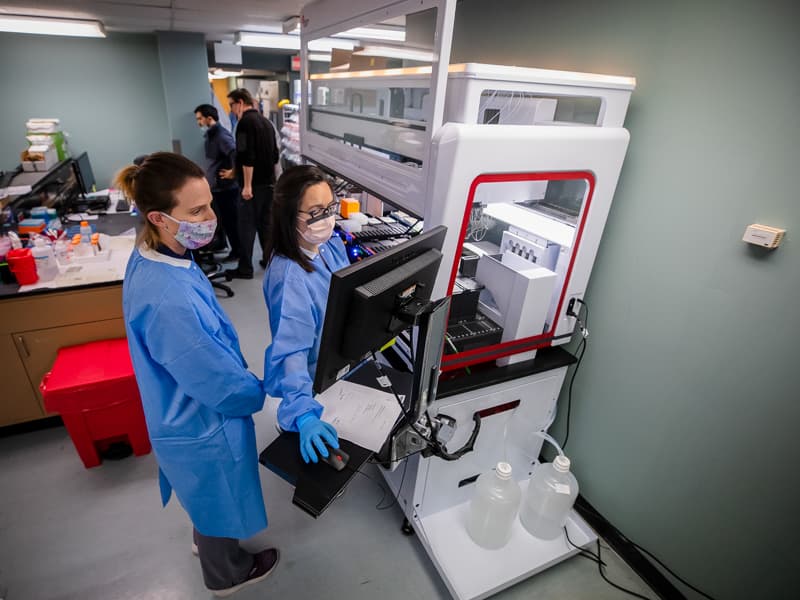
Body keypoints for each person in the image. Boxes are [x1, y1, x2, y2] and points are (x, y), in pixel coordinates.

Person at [117, 152, 278, 597]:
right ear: (159, 216)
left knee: (204, 494)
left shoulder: (154, 252)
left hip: (174, 406)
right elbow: (218, 383)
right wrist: (260, 390)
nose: (211, 216)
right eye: (196, 211)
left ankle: (206, 539)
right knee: (218, 492)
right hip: (200, 420)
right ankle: (226, 573)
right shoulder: (170, 300)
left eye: (209, 203)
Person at [262, 165, 349, 463]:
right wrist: (304, 415)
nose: (326, 219)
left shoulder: (327, 245)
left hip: (332, 368)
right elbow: (292, 351)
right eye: (315, 212)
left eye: (330, 208)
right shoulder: (290, 278)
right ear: (289, 216)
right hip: (308, 382)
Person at [225, 88, 280, 280]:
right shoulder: (266, 123)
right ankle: (268, 260)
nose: (231, 109)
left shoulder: (244, 123)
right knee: (266, 225)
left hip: (253, 186)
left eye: (231, 105)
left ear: (240, 102)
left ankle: (245, 268)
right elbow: (274, 155)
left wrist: (247, 185)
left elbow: (247, 156)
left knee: (246, 227)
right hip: (268, 184)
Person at [194, 103, 240, 262]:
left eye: (200, 119)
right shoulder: (211, 136)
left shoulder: (221, 135)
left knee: (231, 223)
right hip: (217, 189)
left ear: (209, 118)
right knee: (223, 222)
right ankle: (225, 246)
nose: (198, 122)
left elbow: (235, 152)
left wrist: (233, 172)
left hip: (226, 189)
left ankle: (237, 253)